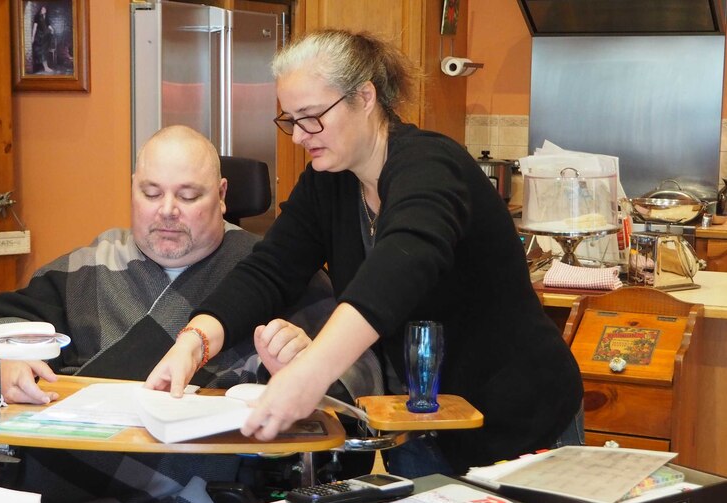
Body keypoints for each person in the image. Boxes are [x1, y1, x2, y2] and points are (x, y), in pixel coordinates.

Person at [147, 29, 585, 480]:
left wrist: (309, 375)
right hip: (421, 428)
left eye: (312, 116)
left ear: (365, 97)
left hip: (523, 422)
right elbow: (270, 269)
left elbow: (401, 264)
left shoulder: (430, 165)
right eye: (290, 120)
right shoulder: (329, 181)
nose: (299, 135)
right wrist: (194, 341)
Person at [0, 125, 381, 503]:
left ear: (221, 195)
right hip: (79, 495)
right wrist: (2, 357)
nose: (167, 211)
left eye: (188, 195)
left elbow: (360, 390)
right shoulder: (88, 267)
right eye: (151, 192)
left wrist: (302, 369)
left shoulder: (274, 271)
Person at [31, 5, 54, 74]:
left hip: (45, 36)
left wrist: (52, 29)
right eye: (43, 9)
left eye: (45, 9)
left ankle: (46, 67)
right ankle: (45, 67)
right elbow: (35, 27)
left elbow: (48, 25)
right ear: (40, 10)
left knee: (45, 51)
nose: (44, 10)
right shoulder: (37, 17)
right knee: (42, 52)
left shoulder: (46, 18)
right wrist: (33, 37)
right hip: (39, 37)